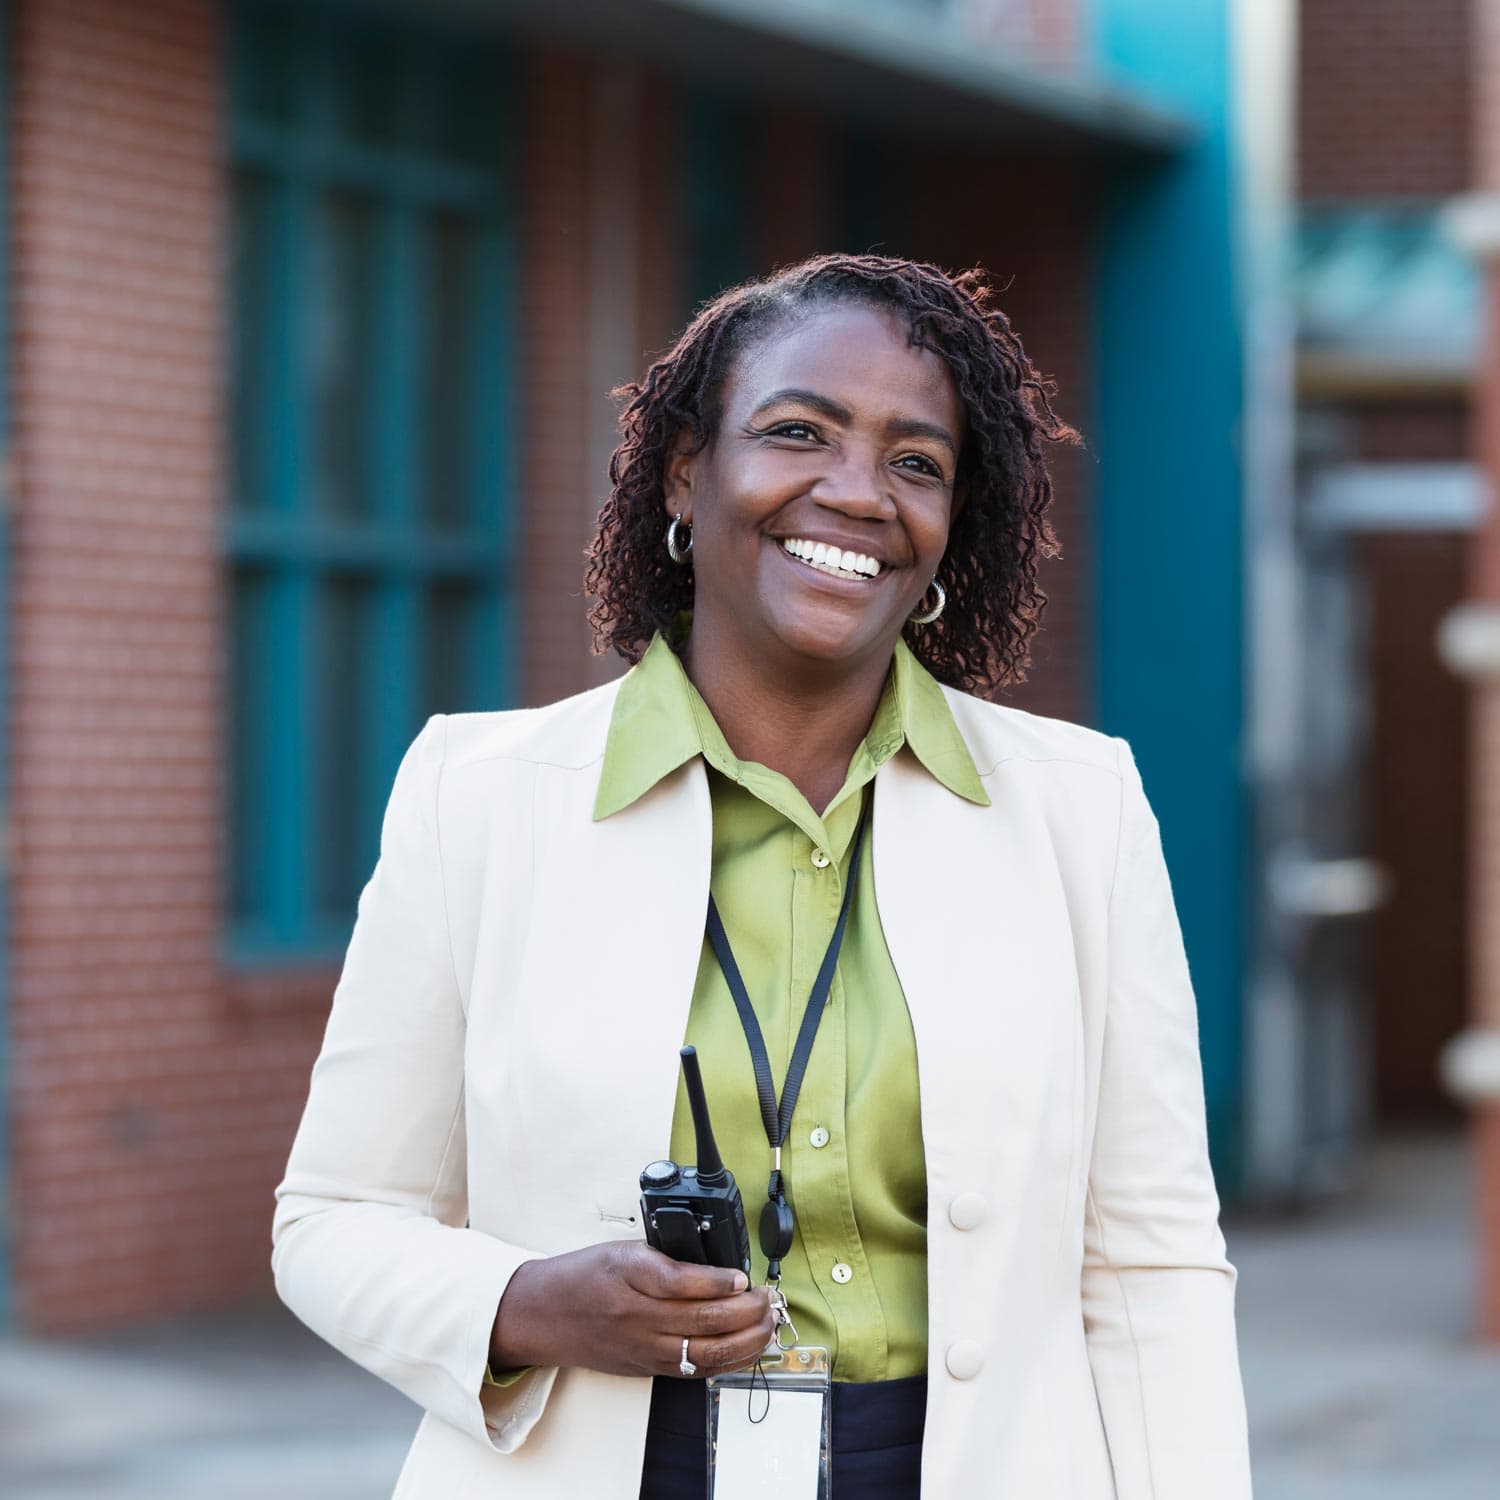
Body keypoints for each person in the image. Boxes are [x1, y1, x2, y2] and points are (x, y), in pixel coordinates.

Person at [271, 252, 1253, 1498]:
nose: (857, 493)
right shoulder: (480, 797)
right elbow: (331, 1221)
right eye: (800, 433)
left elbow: (1151, 1261)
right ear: (689, 470)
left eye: (916, 463)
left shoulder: (1080, 809)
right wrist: (524, 1304)